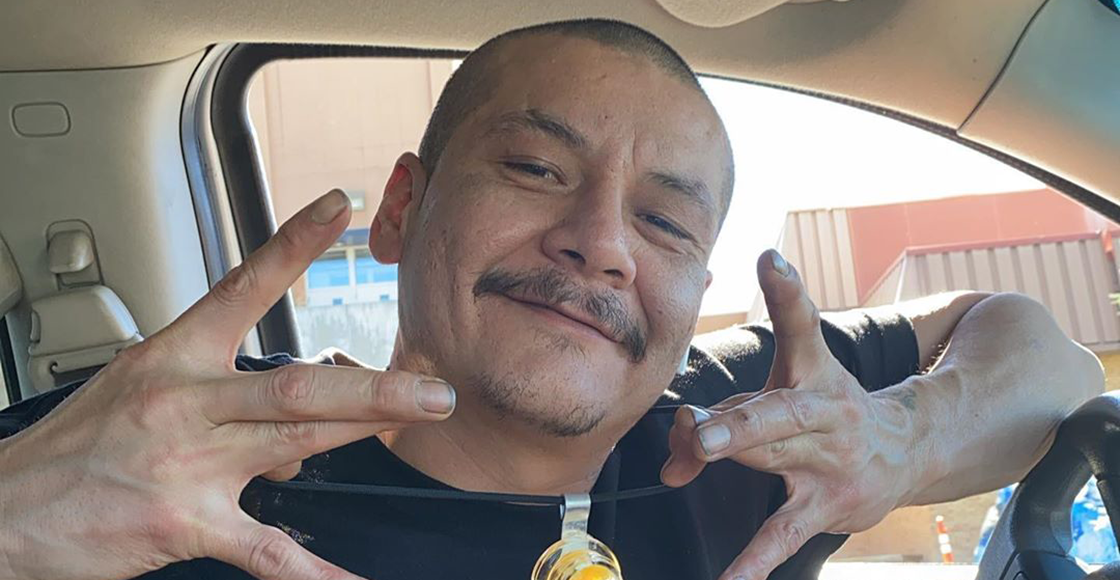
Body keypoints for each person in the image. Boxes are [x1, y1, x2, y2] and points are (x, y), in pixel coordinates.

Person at [0, 18, 1104, 580]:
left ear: (697, 286)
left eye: (666, 222)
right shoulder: (160, 471)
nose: (602, 243)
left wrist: (903, 440)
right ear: (403, 209)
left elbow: (1038, 350)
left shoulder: (741, 432)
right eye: (534, 168)